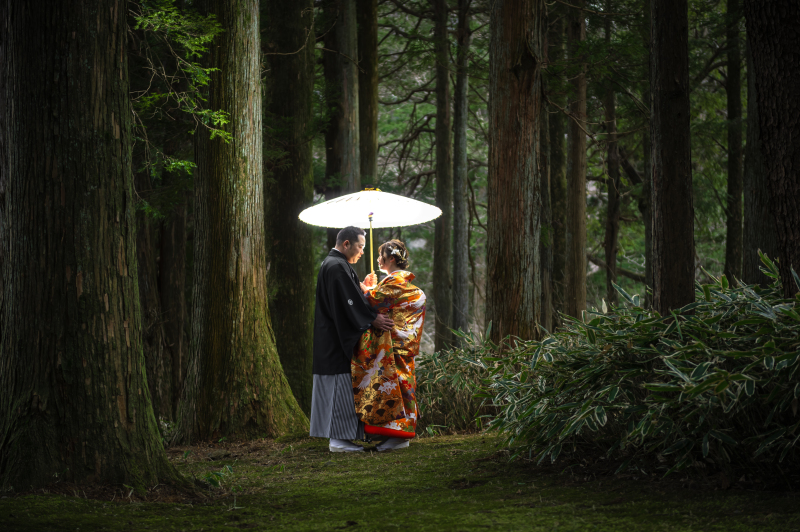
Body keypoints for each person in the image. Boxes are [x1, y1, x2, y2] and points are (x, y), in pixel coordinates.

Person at [309, 226, 394, 452]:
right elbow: (347, 304)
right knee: (339, 388)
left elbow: (349, 296)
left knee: (340, 388)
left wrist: (363, 287)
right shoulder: (336, 266)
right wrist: (373, 318)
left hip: (331, 339)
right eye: (360, 246)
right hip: (335, 342)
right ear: (346, 244)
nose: (362, 252)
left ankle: (341, 438)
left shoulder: (335, 264)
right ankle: (338, 440)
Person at [352, 239, 426, 452]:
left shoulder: (395, 281)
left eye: (381, 256)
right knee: (401, 387)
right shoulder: (400, 282)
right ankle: (398, 435)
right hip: (403, 342)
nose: (378, 259)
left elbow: (373, 300)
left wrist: (362, 286)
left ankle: (400, 436)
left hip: (394, 343)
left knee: (397, 388)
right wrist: (372, 285)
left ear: (391, 259)